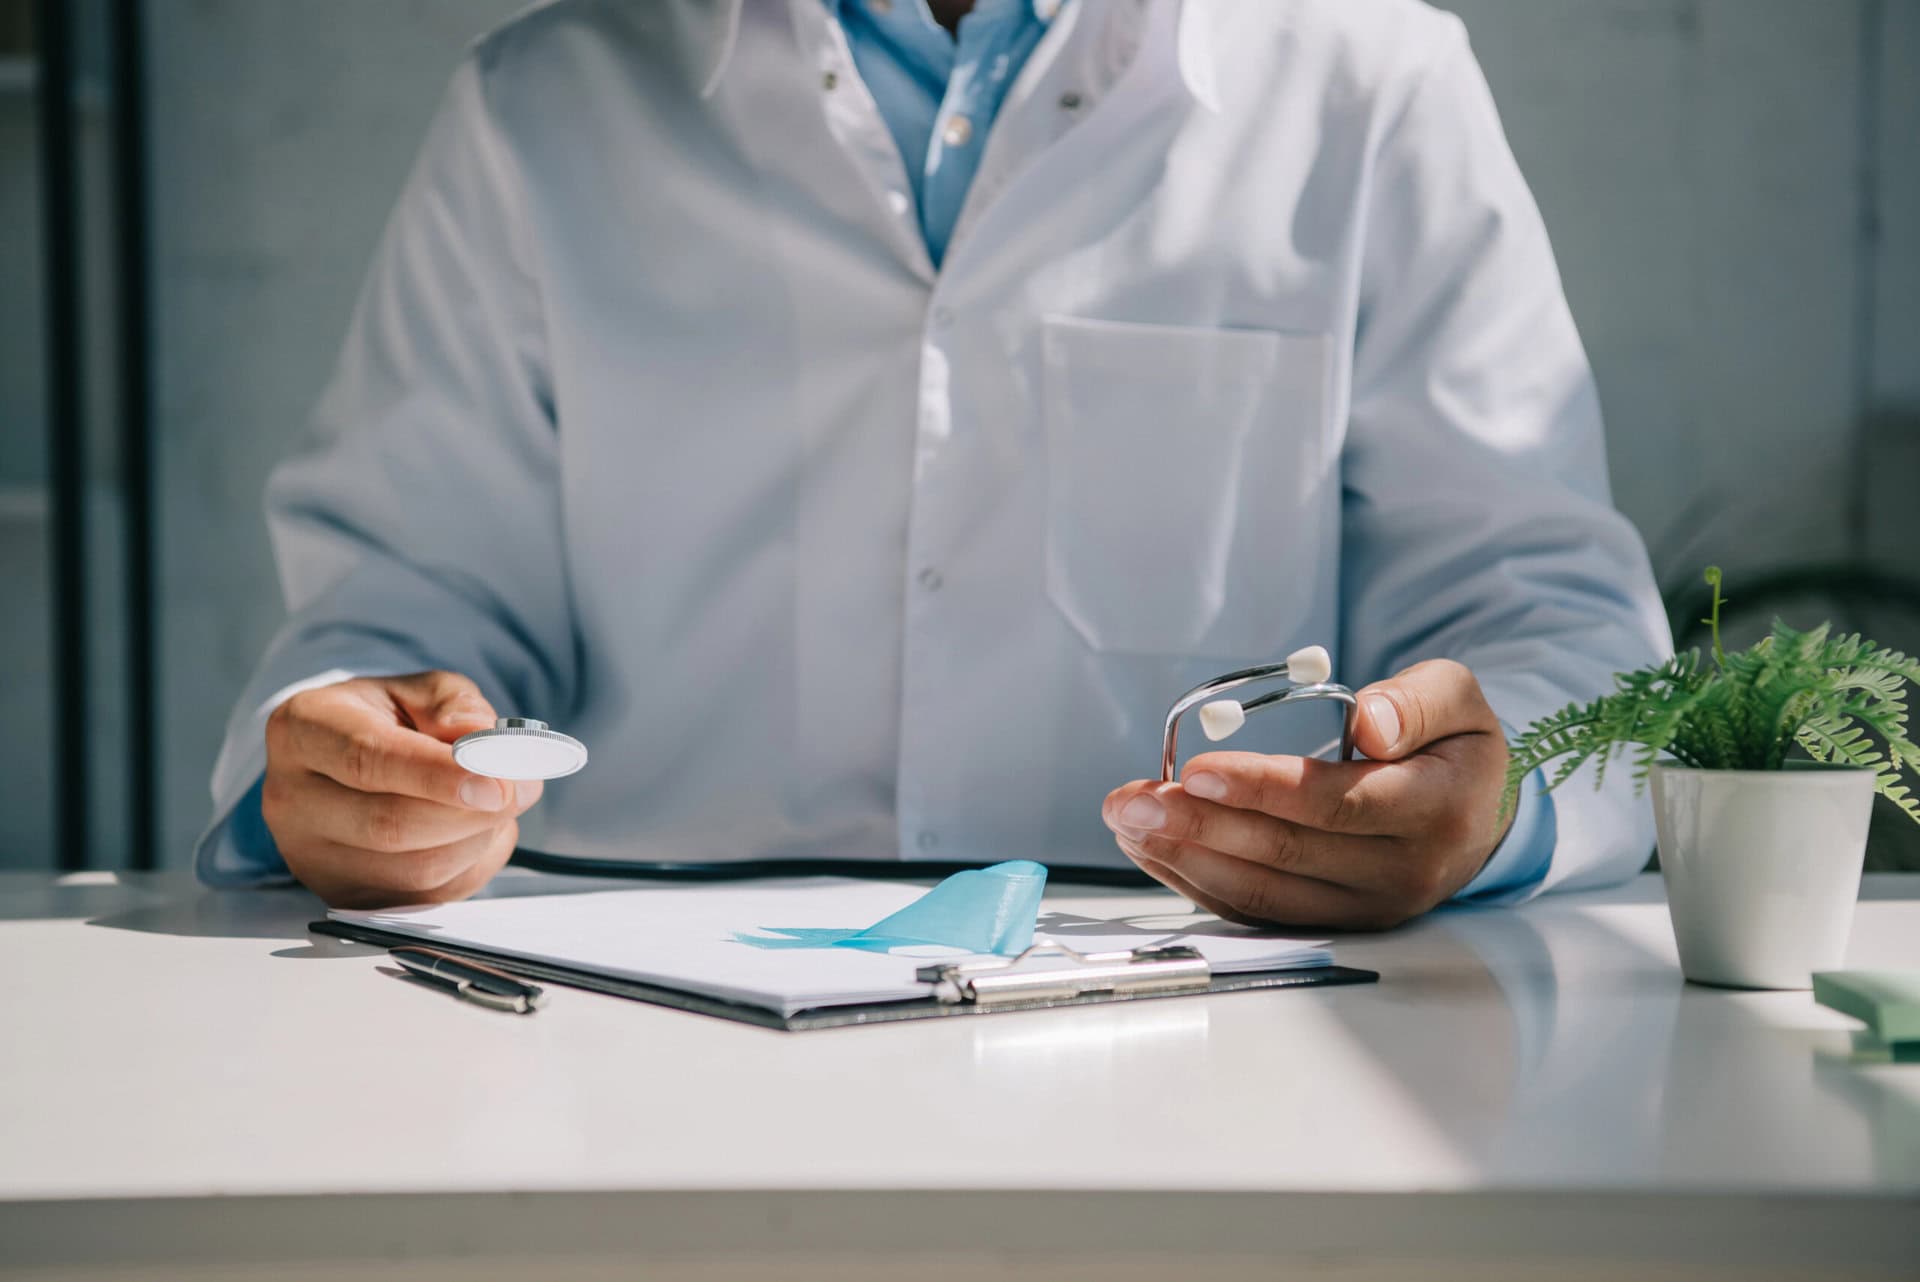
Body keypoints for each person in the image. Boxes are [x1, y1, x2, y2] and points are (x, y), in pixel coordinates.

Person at [198, 0, 1672, 925]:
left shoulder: (1371, 82)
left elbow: (1559, 623)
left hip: (1216, 1060)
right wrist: (351, 764)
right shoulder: (543, 102)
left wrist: (1496, 801)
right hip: (624, 1050)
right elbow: (405, 607)